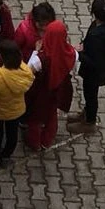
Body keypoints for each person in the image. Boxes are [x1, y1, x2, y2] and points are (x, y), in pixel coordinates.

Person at [70, 0, 105, 133]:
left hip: (95, 72)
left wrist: (79, 54)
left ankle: (90, 122)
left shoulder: (98, 36)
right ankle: (87, 113)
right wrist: (84, 46)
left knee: (90, 95)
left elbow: (92, 60)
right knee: (90, 95)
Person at [0, 41, 34, 166]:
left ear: (2, 56)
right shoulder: (25, 70)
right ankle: (6, 156)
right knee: (12, 135)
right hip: (16, 110)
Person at [24, 18, 77, 150]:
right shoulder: (72, 53)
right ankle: (46, 141)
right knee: (52, 115)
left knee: (35, 118)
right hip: (60, 89)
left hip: (42, 92)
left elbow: (28, 70)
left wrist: (35, 51)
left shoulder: (40, 59)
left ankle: (34, 143)